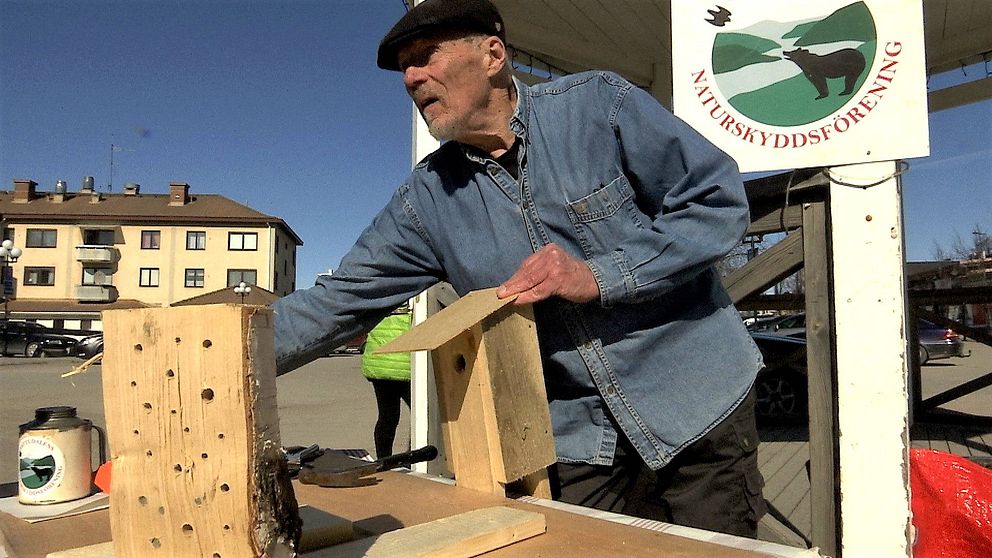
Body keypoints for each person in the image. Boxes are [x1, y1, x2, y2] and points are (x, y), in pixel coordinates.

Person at [273, 0, 766, 537]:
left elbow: (715, 202)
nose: (412, 78)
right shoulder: (427, 200)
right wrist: (203, 354)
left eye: (424, 56)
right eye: (404, 70)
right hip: (578, 439)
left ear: (491, 54)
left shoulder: (598, 105)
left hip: (697, 401)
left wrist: (601, 275)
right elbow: (336, 302)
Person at [361, 306, 412, 458]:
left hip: (379, 364)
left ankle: (383, 459)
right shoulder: (416, 301)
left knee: (387, 417)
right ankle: (414, 458)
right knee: (422, 416)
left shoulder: (379, 300)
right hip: (405, 366)